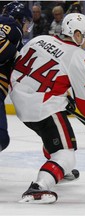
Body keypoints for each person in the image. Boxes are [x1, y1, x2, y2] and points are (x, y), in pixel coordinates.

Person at [9, 13, 85, 204]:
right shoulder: (80, 57)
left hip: (19, 100)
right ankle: (39, 187)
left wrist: (61, 94)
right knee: (66, 153)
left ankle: (58, 168)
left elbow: (20, 67)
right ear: (76, 34)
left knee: (52, 134)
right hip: (42, 108)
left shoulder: (39, 39)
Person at [0, 2, 31, 152]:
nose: (27, 29)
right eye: (27, 24)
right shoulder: (15, 28)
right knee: (1, 138)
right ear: (22, 19)